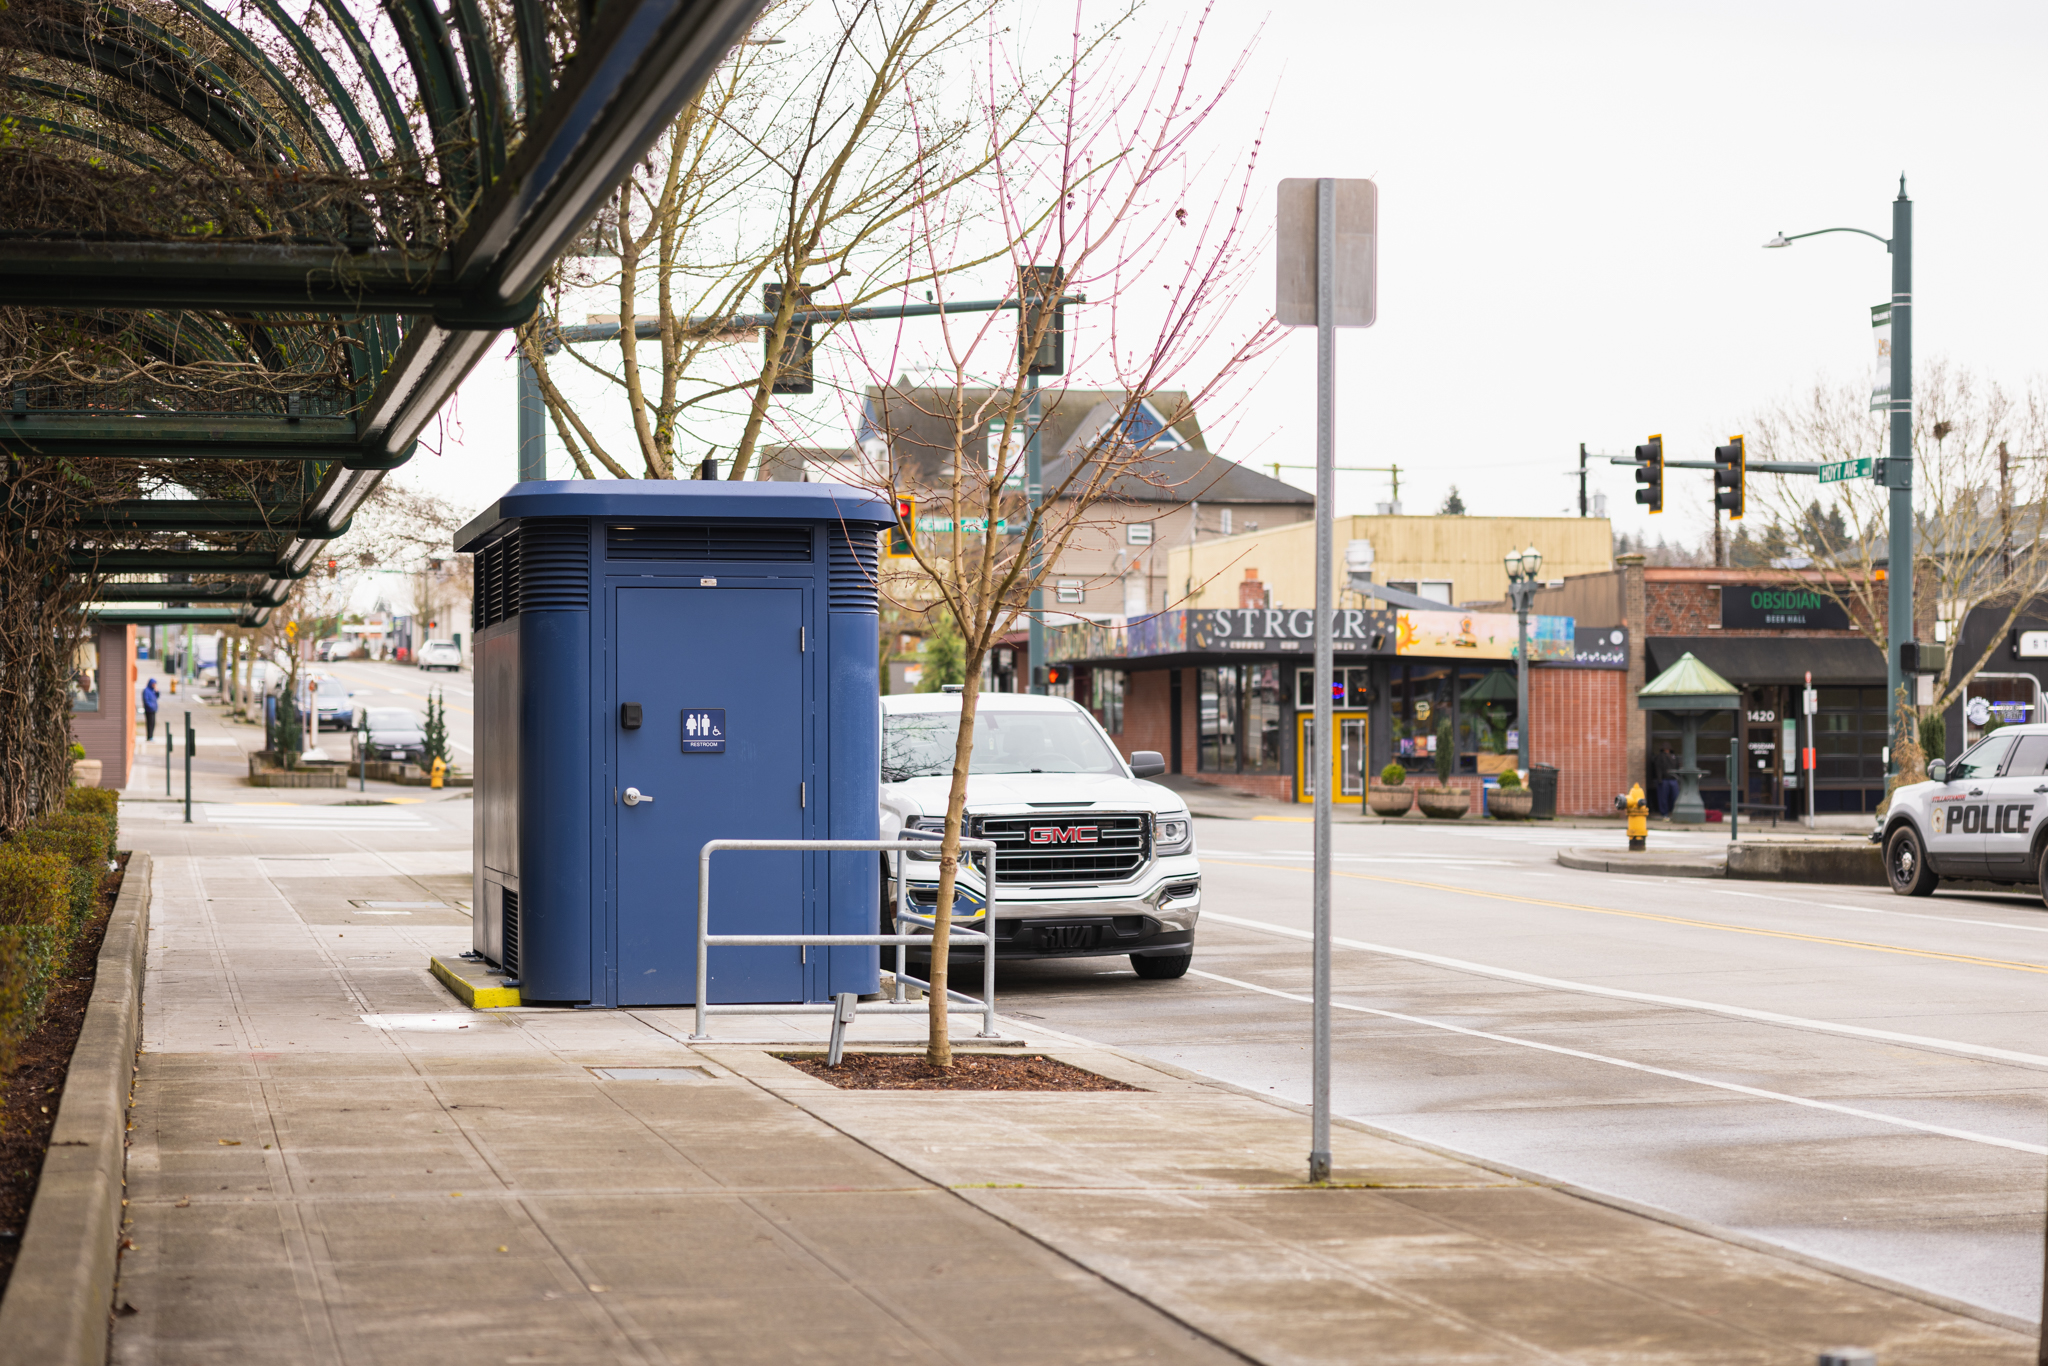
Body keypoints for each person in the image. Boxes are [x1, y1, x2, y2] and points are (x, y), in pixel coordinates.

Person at [1652, 743, 1679, 818]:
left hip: (1673, 779)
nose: (1667, 750)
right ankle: (1664, 813)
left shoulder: (1674, 757)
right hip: (1664, 780)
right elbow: (1658, 768)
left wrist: (1677, 777)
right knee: (1663, 798)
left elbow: (1677, 767)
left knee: (1675, 797)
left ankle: (1674, 812)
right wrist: (1659, 779)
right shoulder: (1660, 757)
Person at [142, 676, 160, 742]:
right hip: (149, 710)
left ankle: (151, 736)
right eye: (153, 684)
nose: (154, 685)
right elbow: (146, 700)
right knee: (149, 723)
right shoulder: (146, 690)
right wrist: (150, 706)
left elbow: (157, 697)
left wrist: (157, 691)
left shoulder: (153, 690)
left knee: (153, 723)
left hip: (153, 710)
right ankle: (149, 737)